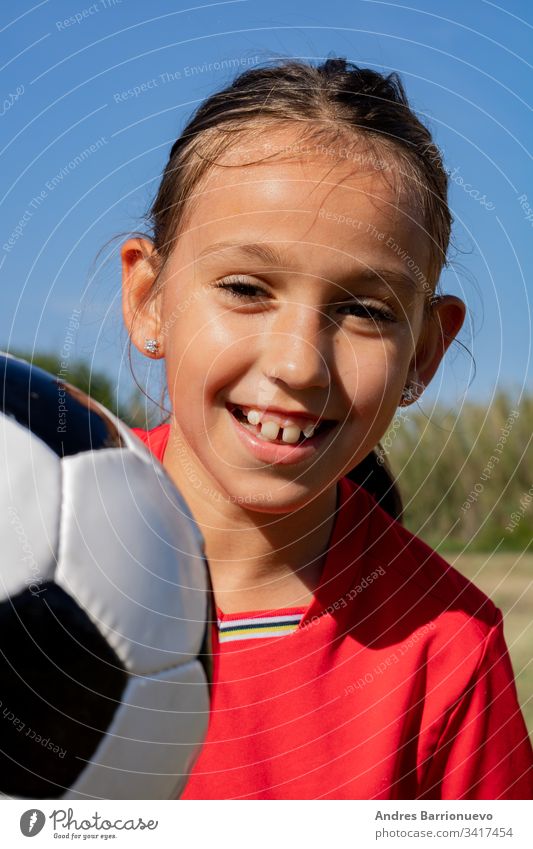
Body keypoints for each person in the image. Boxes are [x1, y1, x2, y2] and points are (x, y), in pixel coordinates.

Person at [119, 57, 533, 799]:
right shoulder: (15, 551)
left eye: (367, 309)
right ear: (150, 299)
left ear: (425, 352)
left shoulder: (446, 656)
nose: (299, 365)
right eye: (246, 288)